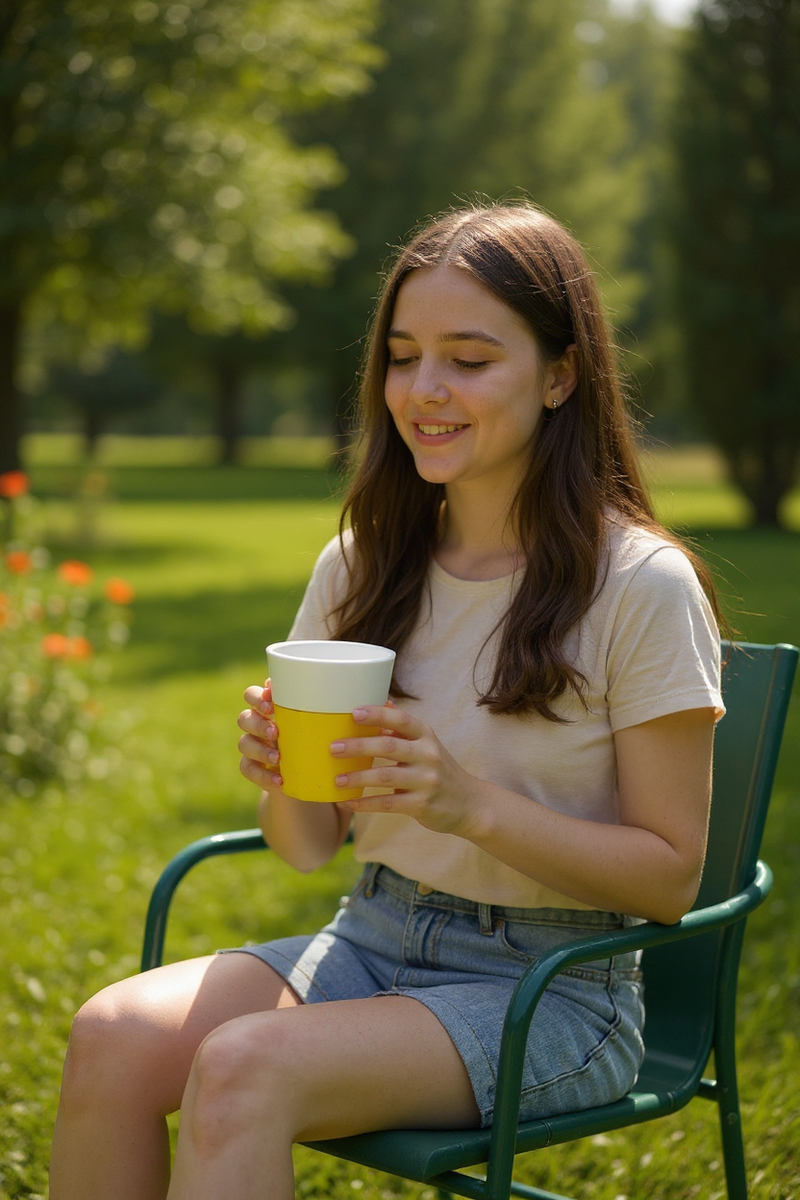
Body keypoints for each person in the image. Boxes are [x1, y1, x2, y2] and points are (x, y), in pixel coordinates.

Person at [49, 202, 724, 1200]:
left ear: (558, 375)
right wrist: (282, 776)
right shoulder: (362, 565)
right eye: (403, 356)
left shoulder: (638, 586)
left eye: (467, 357)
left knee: (241, 1070)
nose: (423, 389)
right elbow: (309, 846)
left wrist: (469, 806)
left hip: (553, 989)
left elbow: (670, 881)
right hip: (369, 937)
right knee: (110, 1036)